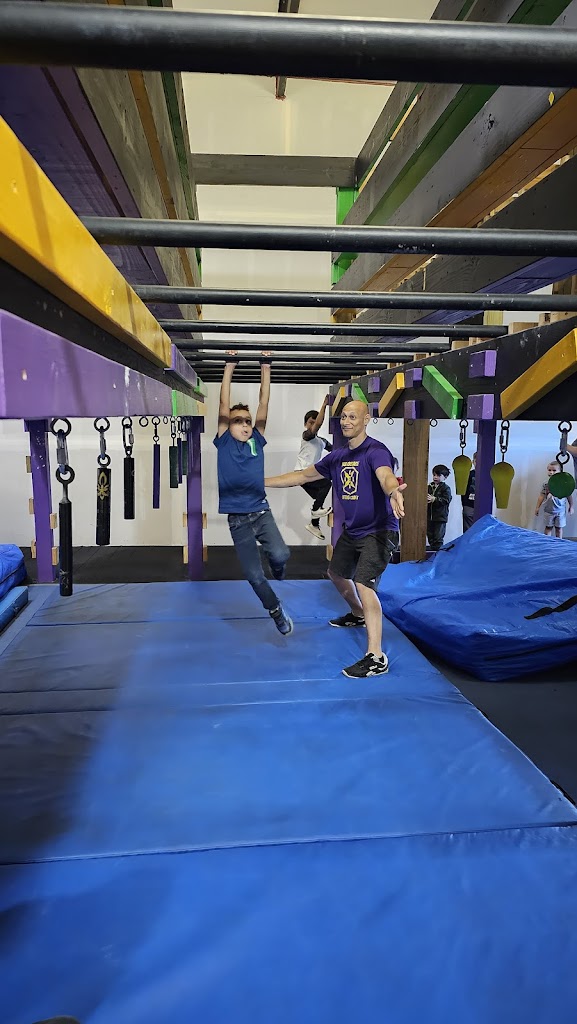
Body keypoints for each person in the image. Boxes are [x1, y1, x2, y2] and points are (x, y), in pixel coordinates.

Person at [265, 399, 405, 678]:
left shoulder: (376, 451)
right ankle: (358, 614)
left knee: (364, 583)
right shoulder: (337, 457)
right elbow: (302, 476)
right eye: (343, 417)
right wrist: (261, 482)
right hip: (353, 531)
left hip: (379, 531)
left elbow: (386, 476)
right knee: (336, 574)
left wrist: (393, 491)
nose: (346, 421)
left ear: (366, 420)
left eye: (353, 417)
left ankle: (376, 656)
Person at [214, 351, 293, 635]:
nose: (245, 424)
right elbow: (223, 403)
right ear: (228, 425)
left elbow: (264, 403)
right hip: (238, 520)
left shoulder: (257, 440)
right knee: (253, 575)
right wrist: (229, 366)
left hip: (261, 512)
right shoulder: (223, 441)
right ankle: (275, 610)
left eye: (247, 421)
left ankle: (278, 567)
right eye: (239, 421)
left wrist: (266, 367)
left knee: (281, 555)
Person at [295, 396, 333, 540]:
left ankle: (314, 524)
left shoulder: (321, 441)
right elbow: (318, 425)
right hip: (302, 472)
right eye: (310, 422)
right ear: (306, 424)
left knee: (319, 499)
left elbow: (335, 450)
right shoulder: (306, 436)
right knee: (326, 483)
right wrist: (324, 406)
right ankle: (316, 512)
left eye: (314, 422)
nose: (313, 425)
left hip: (310, 473)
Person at [534, 461, 574, 539]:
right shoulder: (546, 484)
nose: (551, 472)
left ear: (560, 471)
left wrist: (571, 506)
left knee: (559, 528)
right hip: (549, 511)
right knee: (548, 528)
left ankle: (559, 543)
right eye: (549, 470)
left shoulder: (563, 483)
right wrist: (537, 507)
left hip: (560, 511)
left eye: (554, 470)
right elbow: (541, 496)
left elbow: (569, 495)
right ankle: (547, 542)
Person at [427, 465, 452, 551]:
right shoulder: (429, 487)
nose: (435, 477)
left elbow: (447, 500)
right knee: (430, 536)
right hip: (429, 517)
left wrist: (435, 499)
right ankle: (432, 552)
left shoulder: (446, 488)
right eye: (434, 475)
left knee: (438, 538)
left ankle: (437, 553)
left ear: (445, 477)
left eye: (438, 475)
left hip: (440, 517)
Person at [461, 453, 476, 532]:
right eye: (476, 461)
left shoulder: (487, 475)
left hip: (482, 505)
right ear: (473, 462)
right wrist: (465, 504)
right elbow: (464, 490)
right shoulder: (469, 474)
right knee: (468, 529)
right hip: (469, 504)